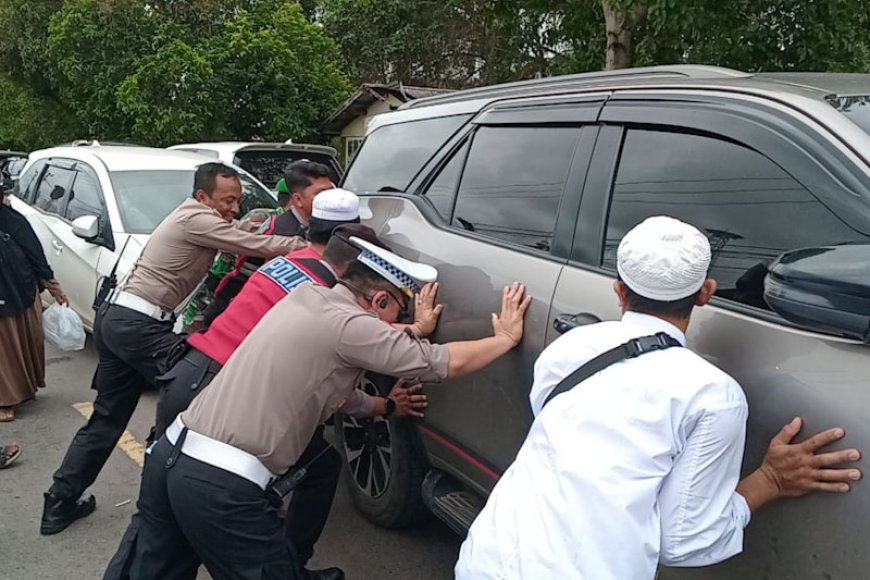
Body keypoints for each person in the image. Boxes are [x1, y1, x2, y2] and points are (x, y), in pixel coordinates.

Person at [454, 216, 863, 580]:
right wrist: (769, 480)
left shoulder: (569, 347)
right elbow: (684, 543)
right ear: (706, 292)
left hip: (483, 558)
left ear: (618, 291)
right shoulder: (712, 396)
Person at [128, 240, 531, 580]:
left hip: (172, 456)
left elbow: (335, 393)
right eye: (398, 312)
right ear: (380, 299)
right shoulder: (350, 327)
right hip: (220, 487)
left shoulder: (308, 298)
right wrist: (504, 339)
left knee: (156, 570)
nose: (400, 321)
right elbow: (443, 362)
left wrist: (386, 404)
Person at [103, 194, 394, 580]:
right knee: (173, 530)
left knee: (162, 522)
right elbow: (323, 387)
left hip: (193, 373)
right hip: (219, 389)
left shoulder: (291, 262)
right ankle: (282, 566)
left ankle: (286, 565)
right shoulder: (323, 292)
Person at [40, 162, 308, 536]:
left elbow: (235, 230)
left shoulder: (199, 217)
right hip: (138, 325)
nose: (235, 208)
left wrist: (246, 223)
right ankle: (162, 499)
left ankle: (59, 501)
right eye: (227, 201)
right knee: (191, 387)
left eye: (238, 200)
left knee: (109, 417)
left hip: (121, 320)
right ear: (202, 197)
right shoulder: (194, 217)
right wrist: (311, 246)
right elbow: (253, 244)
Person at [201, 160, 336, 327]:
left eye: (332, 191)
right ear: (298, 200)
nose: (332, 199)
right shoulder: (283, 232)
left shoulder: (316, 226)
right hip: (239, 317)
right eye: (321, 193)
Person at [0, 183, 68, 422]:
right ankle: (7, 398)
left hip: (17, 291)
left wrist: (54, 287)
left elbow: (34, 254)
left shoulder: (13, 221)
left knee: (14, 346)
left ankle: (14, 395)